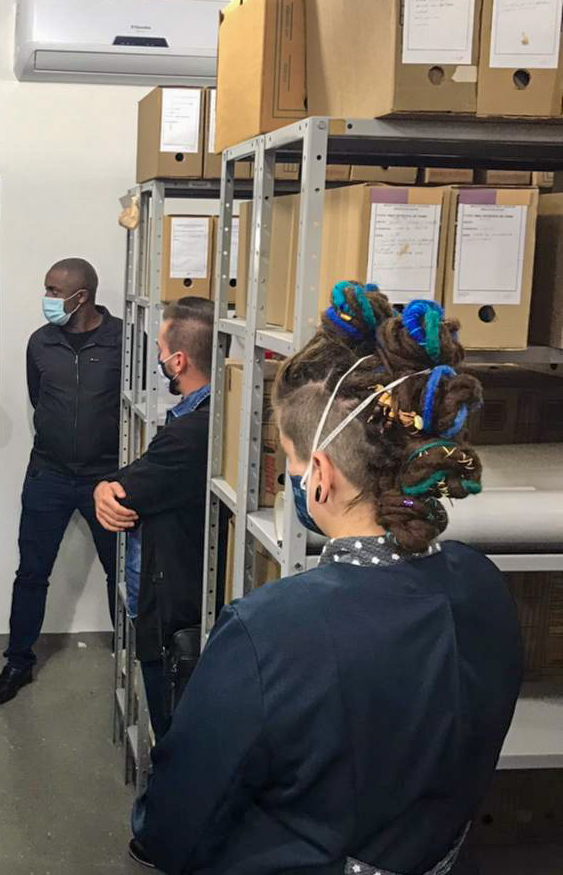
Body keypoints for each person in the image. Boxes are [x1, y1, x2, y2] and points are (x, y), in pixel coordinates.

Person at [131, 283, 523, 875]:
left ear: (318, 473)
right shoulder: (482, 584)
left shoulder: (271, 629)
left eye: (289, 459)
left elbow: (174, 823)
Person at [0, 257, 122, 705]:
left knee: (120, 573)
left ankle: (129, 658)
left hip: (107, 479)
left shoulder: (123, 339)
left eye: (53, 291)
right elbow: (37, 398)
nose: (46, 298)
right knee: (31, 573)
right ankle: (17, 662)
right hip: (48, 474)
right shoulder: (40, 342)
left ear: (81, 297)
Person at [94, 297, 214, 742]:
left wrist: (106, 486)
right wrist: (108, 485)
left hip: (174, 607)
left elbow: (133, 488)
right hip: (187, 596)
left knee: (173, 734)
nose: (158, 359)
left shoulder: (190, 433)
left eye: (161, 350)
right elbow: (143, 473)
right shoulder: (201, 418)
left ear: (178, 361)